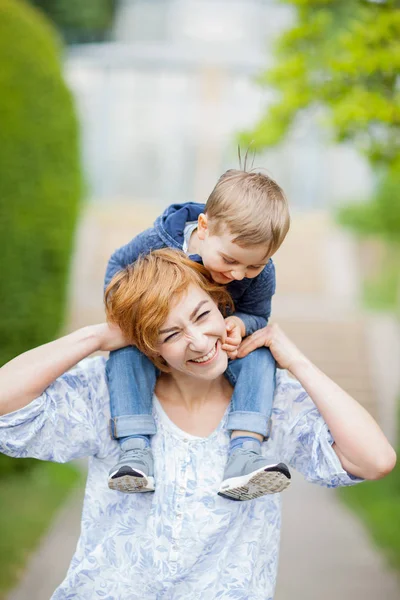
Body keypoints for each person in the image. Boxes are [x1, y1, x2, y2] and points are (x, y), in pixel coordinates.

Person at [0, 249, 396, 599]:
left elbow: (374, 460)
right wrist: (99, 336)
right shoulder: (108, 394)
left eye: (201, 315)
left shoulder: (272, 402)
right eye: (170, 333)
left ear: (222, 305)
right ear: (148, 345)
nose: (198, 341)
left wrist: (296, 362)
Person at [105, 168, 292, 500]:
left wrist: (243, 324)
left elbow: (259, 314)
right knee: (125, 355)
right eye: (230, 259)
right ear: (203, 228)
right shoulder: (157, 242)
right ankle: (134, 451)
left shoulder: (262, 275)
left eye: (254, 266)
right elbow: (118, 268)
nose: (238, 274)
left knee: (261, 356)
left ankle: (245, 452)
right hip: (159, 339)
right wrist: (129, 319)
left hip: (217, 347)